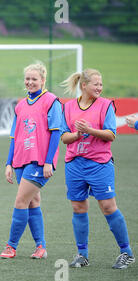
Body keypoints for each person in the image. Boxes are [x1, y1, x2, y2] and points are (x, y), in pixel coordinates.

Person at [60, 68, 135, 269]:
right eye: (96, 84)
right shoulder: (67, 108)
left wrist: (89, 130)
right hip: (75, 165)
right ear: (84, 86)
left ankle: (126, 253)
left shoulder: (106, 106)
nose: (100, 88)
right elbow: (64, 137)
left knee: (108, 207)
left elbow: (111, 134)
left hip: (99, 164)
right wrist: (77, 135)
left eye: (101, 84)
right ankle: (82, 255)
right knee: (78, 207)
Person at [1, 62, 62, 259]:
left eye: (34, 79)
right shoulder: (20, 105)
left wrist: (48, 161)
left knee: (21, 201)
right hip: (20, 160)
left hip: (38, 162)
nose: (30, 82)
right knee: (33, 202)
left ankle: (11, 246)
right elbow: (14, 136)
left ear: (43, 80)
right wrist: (9, 163)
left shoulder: (51, 101)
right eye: (27, 79)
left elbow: (55, 133)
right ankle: (41, 247)